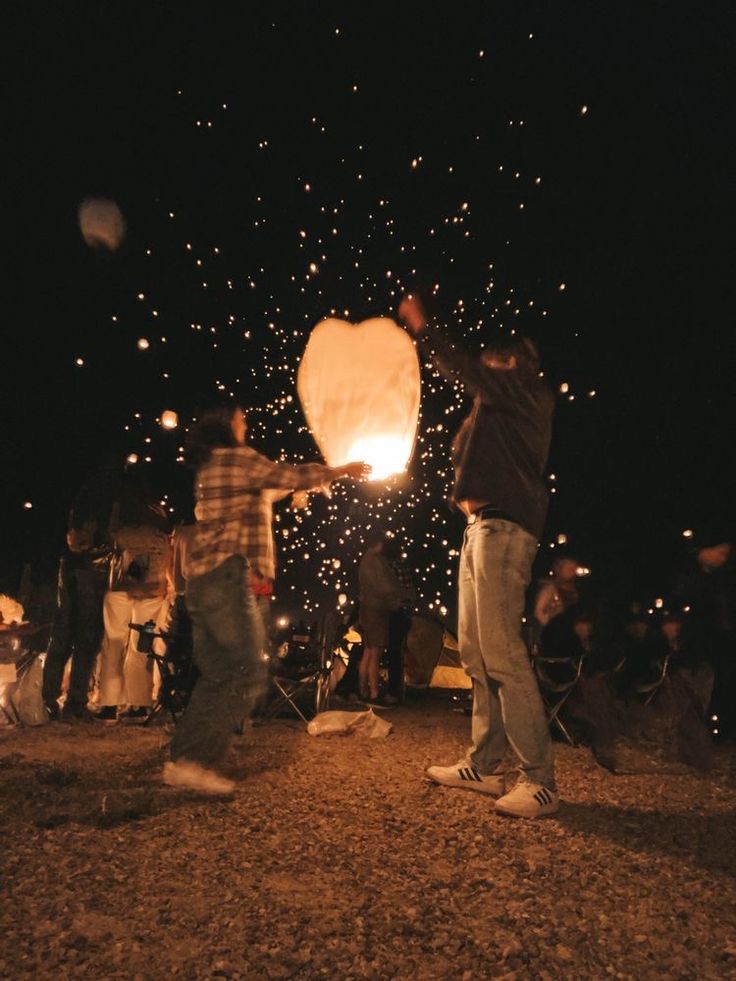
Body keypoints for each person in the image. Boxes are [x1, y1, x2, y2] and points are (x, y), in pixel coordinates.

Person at [399, 293, 557, 817]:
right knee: (474, 652)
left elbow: (465, 368)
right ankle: (485, 767)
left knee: (503, 653)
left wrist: (425, 330)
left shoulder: (526, 388)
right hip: (478, 530)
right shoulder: (497, 405)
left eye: (491, 357)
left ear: (511, 359)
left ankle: (540, 781)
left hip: (505, 530)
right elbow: (465, 442)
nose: (482, 362)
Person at [163, 403, 369, 795]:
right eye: (240, 418)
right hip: (226, 576)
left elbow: (271, 487)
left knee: (219, 673)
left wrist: (297, 487)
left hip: (206, 580)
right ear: (227, 425)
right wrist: (340, 470)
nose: (245, 423)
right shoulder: (236, 458)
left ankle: (185, 759)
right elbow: (284, 474)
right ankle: (194, 760)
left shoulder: (214, 465)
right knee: (245, 671)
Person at [42, 454, 126, 722]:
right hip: (91, 569)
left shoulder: (81, 491)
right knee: (86, 639)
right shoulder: (106, 494)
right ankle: (75, 704)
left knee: (63, 635)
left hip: (69, 567)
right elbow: (99, 533)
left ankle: (48, 701)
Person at [357, 533, 415, 707]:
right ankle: (374, 694)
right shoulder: (375, 561)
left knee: (368, 652)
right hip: (376, 611)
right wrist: (406, 594)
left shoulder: (365, 561)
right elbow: (385, 587)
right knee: (375, 653)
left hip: (367, 609)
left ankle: (363, 690)